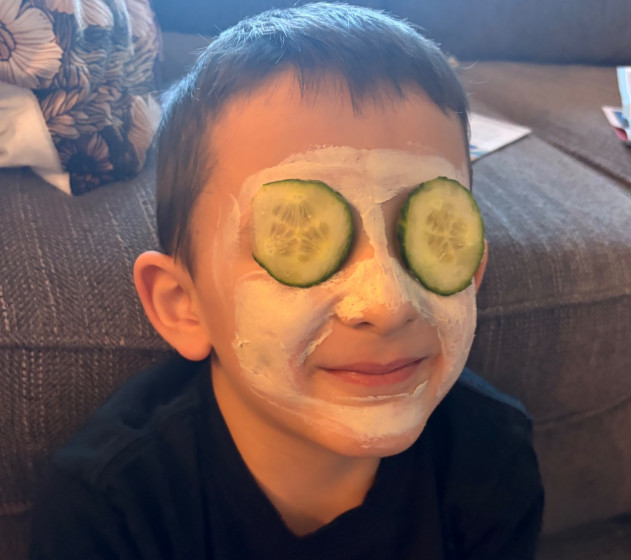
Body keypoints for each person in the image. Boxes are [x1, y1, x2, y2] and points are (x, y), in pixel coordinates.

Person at [30, 3, 544, 558]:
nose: (388, 302)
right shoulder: (111, 507)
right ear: (184, 305)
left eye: (430, 235)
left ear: (473, 273)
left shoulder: (492, 459)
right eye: (297, 239)